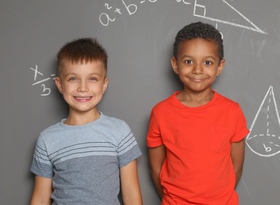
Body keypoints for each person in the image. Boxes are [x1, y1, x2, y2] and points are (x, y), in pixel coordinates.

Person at [30, 38, 143, 205]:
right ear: (60, 85)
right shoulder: (47, 139)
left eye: (92, 79)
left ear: (104, 84)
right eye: (73, 79)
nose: (83, 88)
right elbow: (40, 199)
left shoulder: (119, 131)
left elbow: (131, 195)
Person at [146, 22, 250, 204]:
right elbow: (156, 169)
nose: (197, 69)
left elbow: (236, 167)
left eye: (207, 62)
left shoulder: (232, 111)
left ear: (220, 66)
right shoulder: (161, 113)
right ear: (175, 64)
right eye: (188, 61)